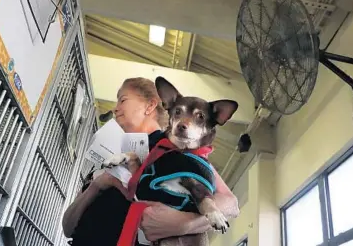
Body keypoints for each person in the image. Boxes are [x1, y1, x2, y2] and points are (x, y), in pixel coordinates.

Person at [62, 77, 239, 245]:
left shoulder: (177, 151)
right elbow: (68, 228)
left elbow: (230, 204)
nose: (115, 108)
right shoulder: (107, 154)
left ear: (150, 105)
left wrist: (184, 223)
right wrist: (98, 184)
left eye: (122, 100)